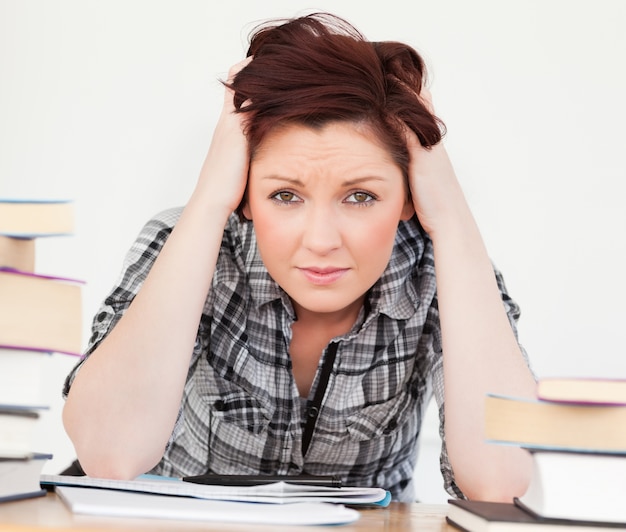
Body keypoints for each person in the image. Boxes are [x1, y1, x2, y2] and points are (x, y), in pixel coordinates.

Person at [62, 12, 536, 502]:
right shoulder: (189, 244)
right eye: (286, 196)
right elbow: (108, 456)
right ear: (245, 191)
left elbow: (501, 484)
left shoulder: (444, 269)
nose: (321, 240)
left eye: (361, 197)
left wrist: (451, 216)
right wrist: (210, 199)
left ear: (409, 198)